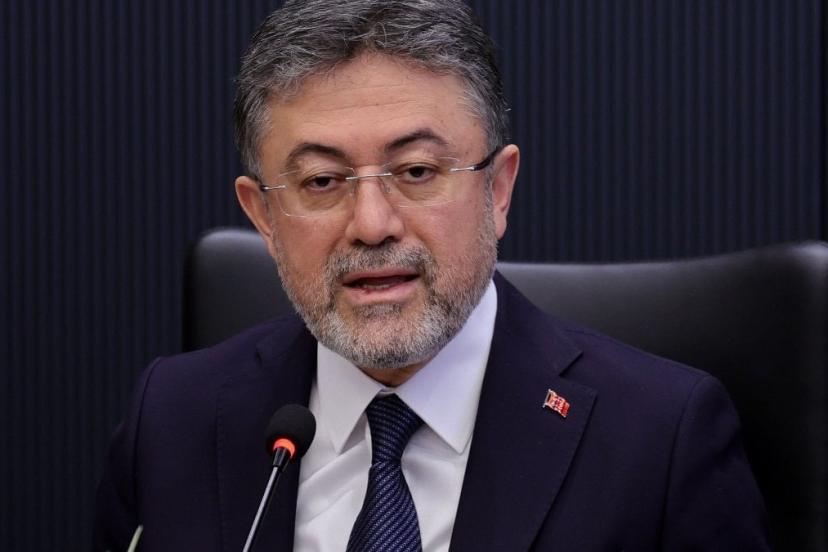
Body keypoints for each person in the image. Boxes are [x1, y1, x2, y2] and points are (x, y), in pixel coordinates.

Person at [95, 0, 770, 550]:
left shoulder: (659, 440)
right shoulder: (172, 422)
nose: (371, 224)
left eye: (417, 171)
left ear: (497, 190)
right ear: (264, 216)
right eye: (322, 181)